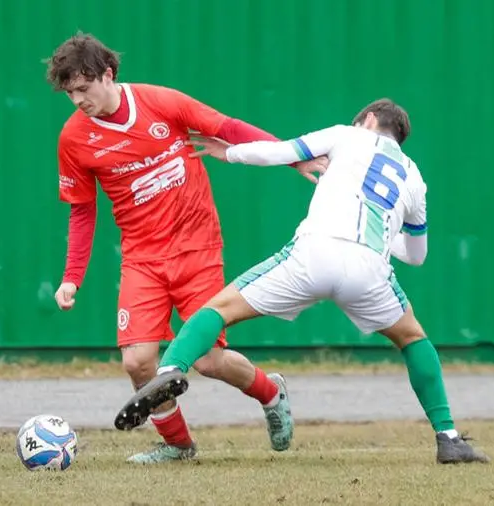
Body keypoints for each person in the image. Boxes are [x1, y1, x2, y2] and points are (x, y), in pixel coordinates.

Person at [113, 98, 490, 464]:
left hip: (315, 253)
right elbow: (417, 255)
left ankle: (167, 372)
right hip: (369, 267)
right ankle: (449, 439)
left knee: (218, 310)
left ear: (370, 119)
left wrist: (227, 152)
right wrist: (378, 228)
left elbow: (278, 152)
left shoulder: (348, 134)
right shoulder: (414, 177)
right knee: (413, 339)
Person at [45, 32, 327, 464]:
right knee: (138, 363)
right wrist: (71, 278)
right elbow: (82, 211)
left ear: (108, 73)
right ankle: (179, 446)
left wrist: (295, 156)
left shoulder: (162, 102)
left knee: (210, 360)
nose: (77, 100)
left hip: (197, 247)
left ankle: (271, 393)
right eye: (70, 93)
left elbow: (228, 129)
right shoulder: (74, 139)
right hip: (141, 258)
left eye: (83, 88)